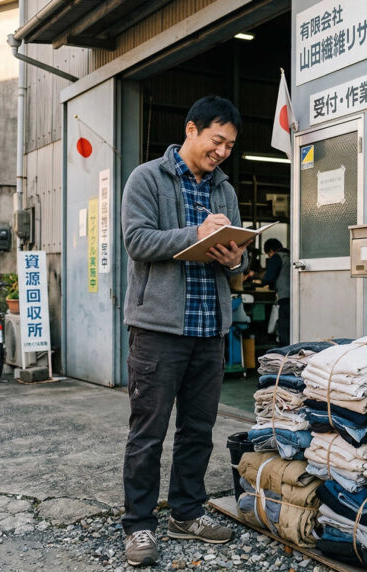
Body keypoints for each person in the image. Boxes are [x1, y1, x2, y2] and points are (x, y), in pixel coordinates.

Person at [119, 95, 247, 567]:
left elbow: (237, 254)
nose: (222, 152)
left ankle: (186, 513)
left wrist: (236, 257)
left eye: (230, 145)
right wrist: (194, 234)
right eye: (217, 141)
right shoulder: (147, 178)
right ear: (191, 130)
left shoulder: (224, 189)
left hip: (209, 328)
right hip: (158, 329)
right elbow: (137, 240)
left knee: (198, 429)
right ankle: (138, 525)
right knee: (148, 432)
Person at [261, 237, 291, 346]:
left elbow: (269, 278)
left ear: (271, 251)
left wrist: (260, 281)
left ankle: (284, 352)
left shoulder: (276, 257)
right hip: (297, 296)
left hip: (285, 297)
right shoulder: (291, 255)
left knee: (284, 327)